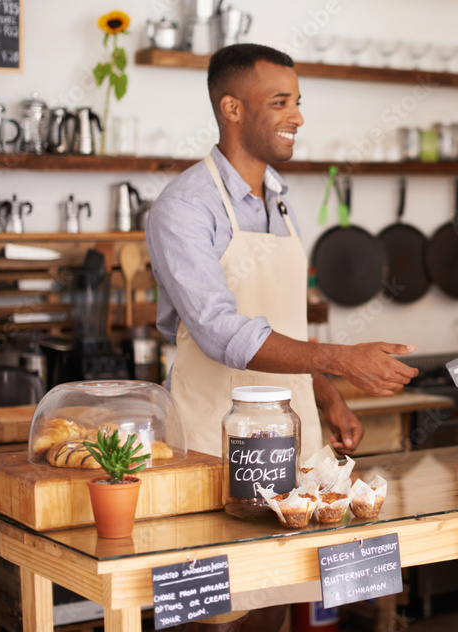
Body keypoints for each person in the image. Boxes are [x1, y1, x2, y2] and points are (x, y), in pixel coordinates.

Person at [146, 44, 418, 630]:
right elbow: (221, 331)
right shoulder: (184, 208)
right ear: (232, 109)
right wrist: (340, 358)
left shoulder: (279, 198)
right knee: (214, 610)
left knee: (273, 602)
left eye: (298, 101)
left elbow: (279, 324)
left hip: (291, 436)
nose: (297, 116)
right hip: (214, 440)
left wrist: (324, 393)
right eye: (280, 102)